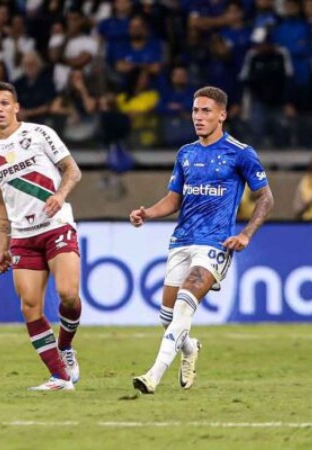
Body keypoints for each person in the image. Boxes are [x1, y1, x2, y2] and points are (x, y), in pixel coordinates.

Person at [129, 86, 274, 394]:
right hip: (182, 240)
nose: (199, 116)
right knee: (167, 317)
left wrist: (246, 234)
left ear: (222, 115)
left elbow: (266, 198)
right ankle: (190, 348)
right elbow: (173, 200)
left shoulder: (240, 152)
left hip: (216, 243)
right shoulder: (186, 153)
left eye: (206, 110)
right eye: (195, 110)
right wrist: (148, 213)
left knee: (185, 304)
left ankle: (152, 376)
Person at [0, 81, 83, 391]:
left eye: (4, 103)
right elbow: (1, 202)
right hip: (23, 235)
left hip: (56, 225)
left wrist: (60, 195)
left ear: (16, 107)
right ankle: (60, 378)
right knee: (29, 306)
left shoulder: (40, 134)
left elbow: (72, 171)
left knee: (67, 293)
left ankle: (65, 348)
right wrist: (3, 247)